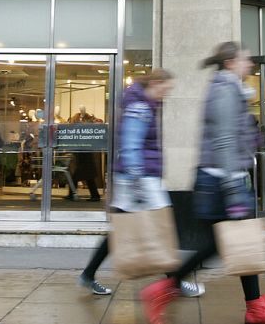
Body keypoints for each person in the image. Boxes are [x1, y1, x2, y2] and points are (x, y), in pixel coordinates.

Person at [139, 42, 265, 324]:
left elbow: (233, 133)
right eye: (245, 60)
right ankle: (164, 289)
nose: (250, 64)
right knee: (224, 244)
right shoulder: (223, 90)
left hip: (224, 177)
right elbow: (221, 141)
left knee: (236, 242)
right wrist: (233, 188)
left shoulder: (231, 89)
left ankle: (254, 308)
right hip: (221, 180)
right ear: (231, 62)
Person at [77, 69, 204, 298]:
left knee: (128, 230)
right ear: (156, 83)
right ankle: (174, 282)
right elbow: (131, 145)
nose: (166, 94)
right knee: (161, 228)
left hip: (138, 177)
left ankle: (88, 274)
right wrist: (137, 186)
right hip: (140, 178)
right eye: (166, 89)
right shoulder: (140, 107)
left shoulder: (143, 104)